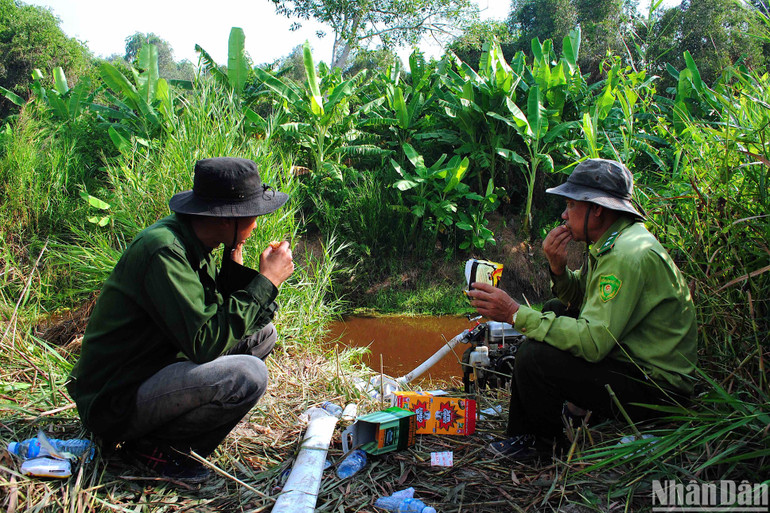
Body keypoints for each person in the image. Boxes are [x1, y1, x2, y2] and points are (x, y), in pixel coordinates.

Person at [67, 157, 294, 483]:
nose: (256, 224)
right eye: (253, 215)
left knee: (263, 334)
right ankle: (156, 451)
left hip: (155, 366)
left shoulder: (198, 243)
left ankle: (159, 440)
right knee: (250, 375)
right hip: (116, 397)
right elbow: (205, 344)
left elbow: (214, 317)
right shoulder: (165, 251)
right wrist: (267, 281)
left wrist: (234, 264)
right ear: (226, 219)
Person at [466, 158, 698, 459]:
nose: (564, 215)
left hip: (658, 392)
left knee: (535, 357)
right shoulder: (613, 240)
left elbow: (593, 343)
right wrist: (558, 268)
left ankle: (542, 445)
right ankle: (554, 421)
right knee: (555, 308)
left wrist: (514, 313)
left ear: (597, 209)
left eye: (570, 205)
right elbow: (579, 302)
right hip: (633, 365)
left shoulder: (626, 254)